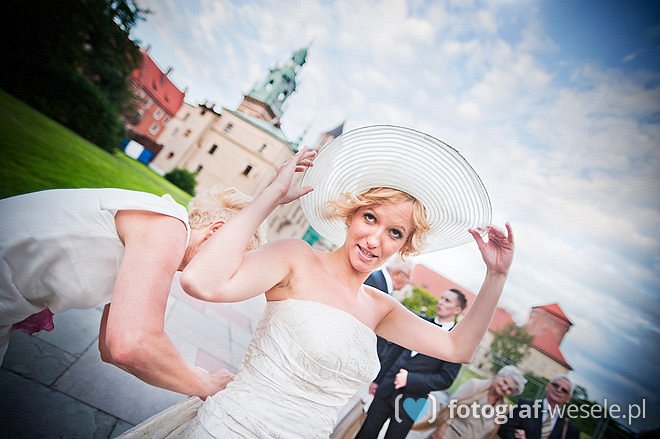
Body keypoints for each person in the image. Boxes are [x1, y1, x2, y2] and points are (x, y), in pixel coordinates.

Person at [119, 125, 515, 438]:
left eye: (395, 232)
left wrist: (496, 276)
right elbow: (201, 282)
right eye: (370, 218)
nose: (375, 240)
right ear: (350, 215)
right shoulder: (295, 258)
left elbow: (458, 347)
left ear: (405, 245)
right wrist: (271, 196)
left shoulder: (380, 308)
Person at [0, 185, 265, 398]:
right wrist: (204, 385)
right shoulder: (168, 227)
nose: (228, 273)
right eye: (233, 259)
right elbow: (131, 344)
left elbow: (109, 347)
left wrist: (195, 374)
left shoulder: (158, 242)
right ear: (215, 232)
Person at [355, 289, 467, 439]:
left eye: (447, 301)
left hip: (413, 401)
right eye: (441, 298)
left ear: (457, 309)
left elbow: (446, 379)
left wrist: (410, 379)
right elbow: (395, 352)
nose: (441, 302)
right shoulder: (419, 322)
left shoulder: (456, 342)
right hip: (386, 388)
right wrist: (378, 380)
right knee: (366, 433)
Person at [409, 365, 527, 439]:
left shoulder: (503, 409)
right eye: (505, 382)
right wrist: (439, 433)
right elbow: (449, 409)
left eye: (510, 389)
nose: (505, 388)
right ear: (498, 376)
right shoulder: (474, 385)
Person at [498, 375, 580, 439]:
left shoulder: (570, 430)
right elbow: (504, 429)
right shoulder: (524, 406)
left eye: (564, 390)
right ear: (547, 387)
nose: (558, 390)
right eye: (556, 385)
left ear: (568, 399)